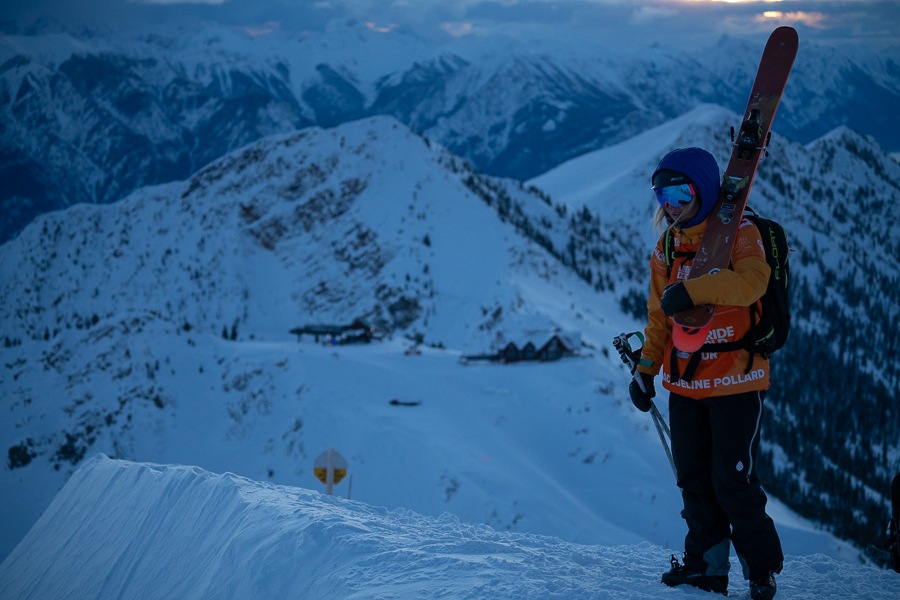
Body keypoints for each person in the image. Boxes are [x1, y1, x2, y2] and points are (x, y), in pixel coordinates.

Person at [629, 147, 784, 599]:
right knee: (693, 478)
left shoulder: (741, 232)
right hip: (685, 383)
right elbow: (658, 317)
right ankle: (706, 567)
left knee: (732, 480)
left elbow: (753, 281)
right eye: (662, 194)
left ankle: (761, 569)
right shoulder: (668, 245)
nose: (671, 203)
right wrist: (645, 371)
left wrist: (692, 290)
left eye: (680, 191)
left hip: (737, 379)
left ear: (705, 188)